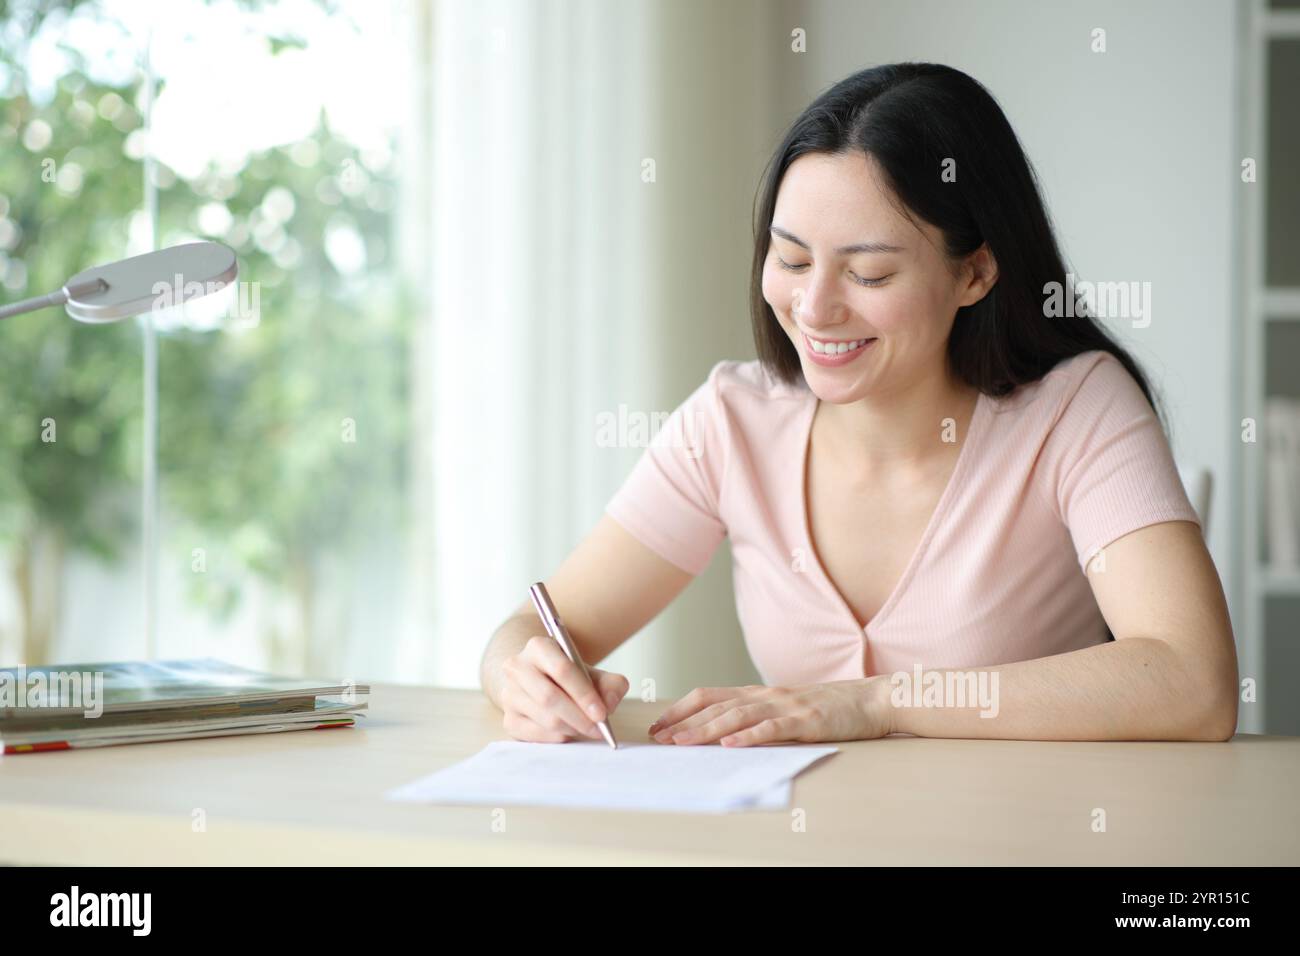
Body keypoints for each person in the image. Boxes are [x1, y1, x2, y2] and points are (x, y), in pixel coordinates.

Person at [480, 62, 1238, 747]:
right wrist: (524, 676)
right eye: (792, 259)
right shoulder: (733, 423)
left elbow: (1193, 681)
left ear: (975, 273)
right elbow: (532, 629)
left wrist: (874, 703)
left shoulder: (1077, 409)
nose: (814, 308)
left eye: (868, 274)